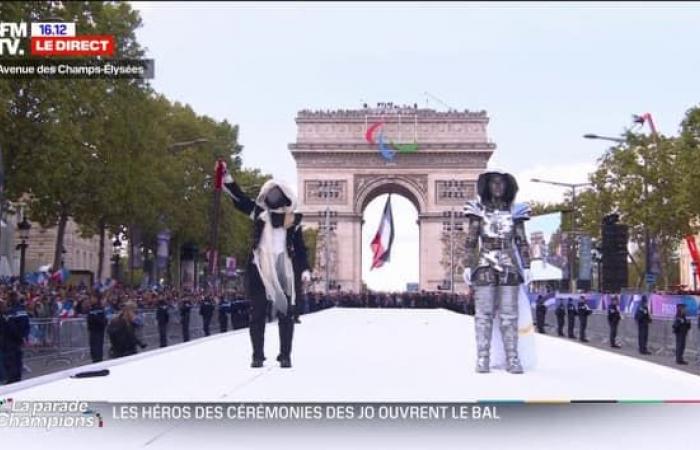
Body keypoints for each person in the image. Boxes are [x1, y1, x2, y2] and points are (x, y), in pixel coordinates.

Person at [223, 170, 311, 369]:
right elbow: (241, 199)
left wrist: (305, 268)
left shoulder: (293, 221)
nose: (272, 198)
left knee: (285, 314)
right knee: (257, 313)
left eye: (276, 194)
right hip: (259, 267)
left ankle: (285, 355)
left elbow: (300, 248)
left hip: (283, 269)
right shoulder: (260, 214)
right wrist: (228, 180)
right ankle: (257, 355)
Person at [463, 170, 532, 374]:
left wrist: (527, 265)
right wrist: (468, 264)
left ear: (508, 186)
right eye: (494, 182)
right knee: (483, 315)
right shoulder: (477, 210)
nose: (498, 187)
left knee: (510, 315)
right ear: (487, 185)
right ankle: (483, 357)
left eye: (502, 183)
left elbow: (521, 240)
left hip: (508, 262)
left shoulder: (516, 211)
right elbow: (471, 239)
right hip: (485, 262)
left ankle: (513, 358)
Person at [3, 293, 30, 383]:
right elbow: (27, 325)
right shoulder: (23, 311)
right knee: (18, 359)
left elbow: (11, 327)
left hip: (10, 340)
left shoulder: (10, 312)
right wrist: (24, 336)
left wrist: (17, 336)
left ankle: (11, 380)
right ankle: (18, 379)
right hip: (19, 340)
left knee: (10, 361)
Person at [86, 294, 107, 362]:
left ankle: (98, 361)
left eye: (92, 298)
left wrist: (94, 318)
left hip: (98, 331)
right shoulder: (91, 308)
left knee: (97, 348)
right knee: (93, 349)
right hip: (92, 331)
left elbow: (104, 321)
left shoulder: (99, 309)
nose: (91, 299)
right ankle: (95, 361)